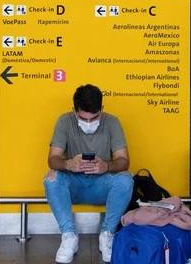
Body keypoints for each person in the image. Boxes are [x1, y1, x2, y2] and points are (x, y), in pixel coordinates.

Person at [43, 84, 132, 263]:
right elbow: (53, 159)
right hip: (74, 185)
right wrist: (68, 164)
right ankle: (69, 236)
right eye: (84, 118)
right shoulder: (64, 121)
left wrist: (106, 166)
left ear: (102, 110)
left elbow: (124, 161)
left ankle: (107, 234)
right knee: (51, 177)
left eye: (95, 118)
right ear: (75, 111)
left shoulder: (112, 122)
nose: (89, 123)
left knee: (126, 180)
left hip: (101, 185)